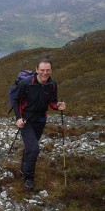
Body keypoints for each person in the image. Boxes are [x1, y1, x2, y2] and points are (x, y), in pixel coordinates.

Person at [12, 58, 66, 190]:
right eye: (42, 70)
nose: (45, 73)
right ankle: (28, 178)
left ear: (51, 70)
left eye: (48, 70)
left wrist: (58, 106)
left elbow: (52, 102)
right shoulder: (26, 83)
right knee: (34, 149)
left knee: (30, 148)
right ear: (37, 70)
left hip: (41, 120)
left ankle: (24, 169)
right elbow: (16, 100)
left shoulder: (52, 85)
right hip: (26, 121)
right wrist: (18, 118)